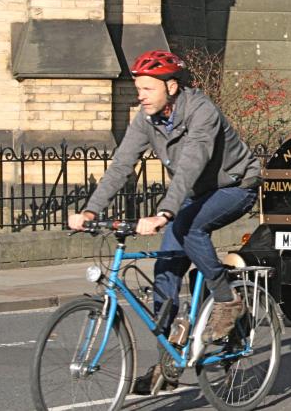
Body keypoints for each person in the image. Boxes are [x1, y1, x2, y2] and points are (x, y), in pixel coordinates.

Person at [67, 50, 263, 394]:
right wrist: (90, 210)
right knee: (165, 275)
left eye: (147, 88)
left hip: (234, 186)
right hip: (191, 195)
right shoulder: (146, 118)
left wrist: (164, 213)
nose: (139, 95)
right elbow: (121, 166)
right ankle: (167, 364)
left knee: (189, 228)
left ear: (171, 86)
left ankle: (226, 298)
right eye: (138, 88)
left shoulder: (202, 111)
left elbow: (191, 163)